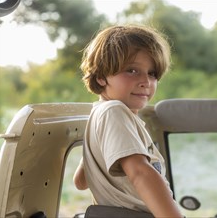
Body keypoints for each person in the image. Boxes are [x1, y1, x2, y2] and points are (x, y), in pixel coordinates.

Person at [73, 24, 183, 218]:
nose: (145, 81)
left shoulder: (105, 114)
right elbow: (140, 173)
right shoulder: (113, 112)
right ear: (100, 77)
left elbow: (81, 181)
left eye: (152, 73)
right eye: (132, 71)